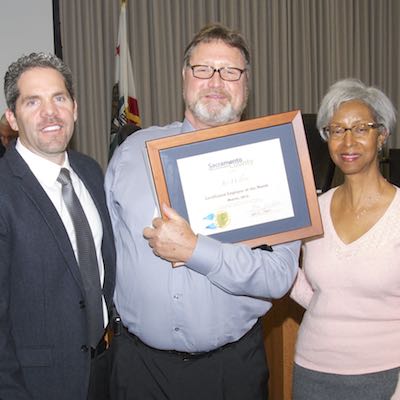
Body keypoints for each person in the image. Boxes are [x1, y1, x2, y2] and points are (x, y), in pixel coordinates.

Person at [105, 23, 300, 400]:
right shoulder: (131, 154)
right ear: (184, 78)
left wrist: (197, 251)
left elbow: (278, 277)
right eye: (203, 69)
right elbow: (108, 252)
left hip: (230, 371)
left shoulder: (274, 160)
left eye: (230, 71)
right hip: (138, 368)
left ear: (246, 83)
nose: (215, 81)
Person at [0, 52, 116, 400]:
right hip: (37, 386)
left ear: (75, 108)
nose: (50, 112)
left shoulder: (91, 171)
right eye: (32, 101)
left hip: (104, 371)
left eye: (59, 98)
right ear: (13, 118)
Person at [290, 78, 400, 399]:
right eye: (336, 130)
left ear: (382, 136)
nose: (347, 141)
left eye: (361, 128)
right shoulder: (313, 210)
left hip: (385, 375)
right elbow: (314, 291)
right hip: (312, 371)